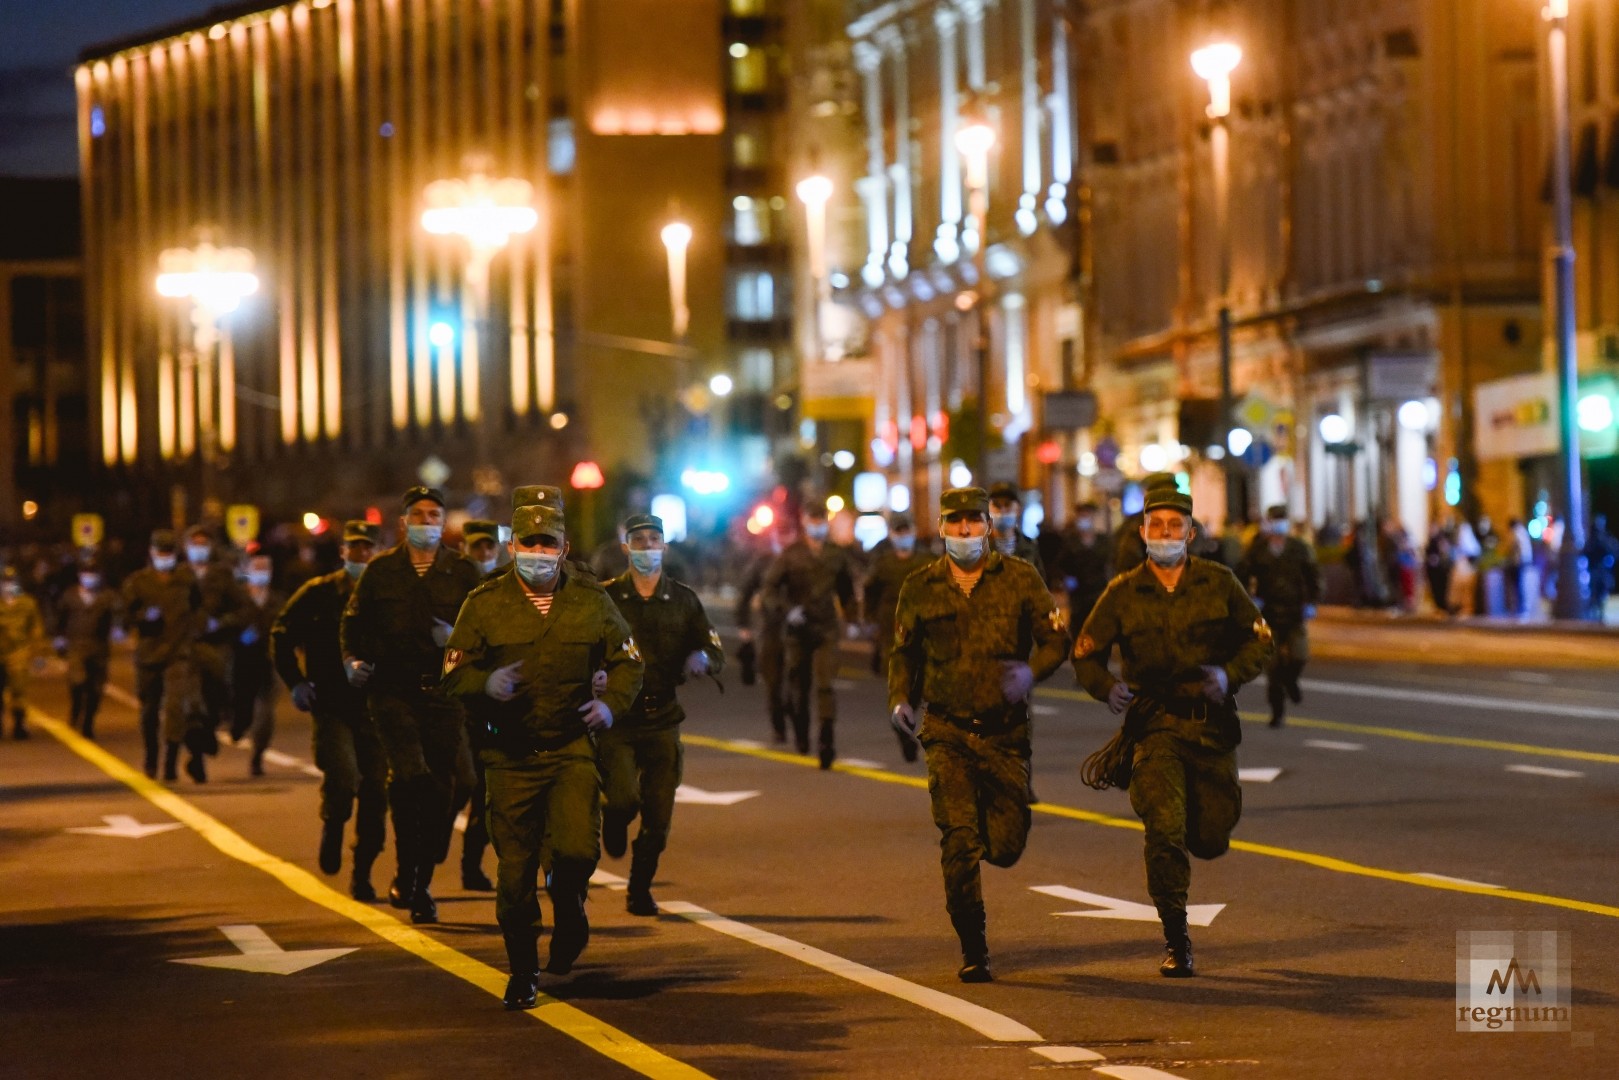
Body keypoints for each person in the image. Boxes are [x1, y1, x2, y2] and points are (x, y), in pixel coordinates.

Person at [442, 503, 644, 1008]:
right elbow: (451, 674)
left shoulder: (591, 600)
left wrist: (610, 705)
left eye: (547, 544)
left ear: (563, 549)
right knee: (514, 874)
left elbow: (628, 663)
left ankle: (571, 906)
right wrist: (485, 681)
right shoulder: (484, 603)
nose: (538, 554)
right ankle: (522, 969)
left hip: (570, 747)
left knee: (577, 852)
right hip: (509, 757)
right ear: (513, 548)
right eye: (528, 544)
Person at [1072, 485, 1271, 977]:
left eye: (1174, 525)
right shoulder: (1122, 592)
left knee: (1209, 836)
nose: (1164, 534)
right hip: (1154, 725)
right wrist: (1105, 687)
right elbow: (1086, 652)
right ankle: (1176, 938)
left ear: (1191, 533)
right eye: (1155, 526)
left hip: (1212, 728)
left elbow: (1258, 640)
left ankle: (1204, 846)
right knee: (1164, 829)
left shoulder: (1220, 583)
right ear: (1142, 533)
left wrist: (1229, 675)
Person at [888, 487, 1070, 982]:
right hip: (946, 729)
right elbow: (903, 654)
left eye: (973, 521)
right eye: (954, 522)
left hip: (1005, 733)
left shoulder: (1020, 578)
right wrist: (901, 699)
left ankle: (988, 841)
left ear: (989, 526)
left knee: (1007, 846)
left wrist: (1031, 673)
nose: (964, 531)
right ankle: (974, 947)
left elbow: (1056, 640)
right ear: (942, 527)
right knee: (959, 839)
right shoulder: (920, 587)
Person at [341, 486, 482, 924]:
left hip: (442, 694)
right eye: (417, 515)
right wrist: (352, 661)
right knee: (411, 778)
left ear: (444, 522)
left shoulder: (462, 571)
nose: (426, 522)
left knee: (443, 788)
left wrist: (455, 642)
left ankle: (420, 868)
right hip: (392, 693)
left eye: (434, 514)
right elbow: (353, 626)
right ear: (403, 523)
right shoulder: (381, 571)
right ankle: (414, 883)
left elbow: (483, 633)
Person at [600, 513, 725, 915]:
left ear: (664, 548)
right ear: (626, 548)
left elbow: (712, 647)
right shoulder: (606, 599)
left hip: (663, 717)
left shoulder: (684, 599)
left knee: (658, 815)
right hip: (619, 718)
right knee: (623, 799)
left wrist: (703, 658)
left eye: (654, 540)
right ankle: (614, 820)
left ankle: (639, 888)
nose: (647, 547)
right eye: (639, 541)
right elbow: (584, 645)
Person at [272, 520, 389, 900]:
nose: (362, 554)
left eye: (368, 548)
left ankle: (363, 872)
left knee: (376, 791)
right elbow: (282, 635)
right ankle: (334, 822)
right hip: (332, 705)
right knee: (342, 774)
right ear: (343, 552)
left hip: (376, 707)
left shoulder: (388, 596)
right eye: (354, 548)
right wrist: (296, 683)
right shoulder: (318, 593)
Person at [763, 501, 856, 768]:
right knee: (798, 685)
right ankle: (801, 731)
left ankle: (827, 739)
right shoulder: (791, 555)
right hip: (797, 630)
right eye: (812, 520)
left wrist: (852, 619)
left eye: (821, 520)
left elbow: (846, 590)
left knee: (825, 683)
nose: (817, 525)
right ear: (804, 522)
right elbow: (769, 590)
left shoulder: (836, 554)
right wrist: (787, 610)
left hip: (826, 627)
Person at [122, 530, 201, 777]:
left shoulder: (186, 580)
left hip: (178, 653)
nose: (164, 557)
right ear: (152, 553)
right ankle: (151, 756)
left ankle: (171, 760)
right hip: (148, 654)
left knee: (176, 706)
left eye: (169, 553)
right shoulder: (138, 582)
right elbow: (124, 617)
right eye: (160, 553)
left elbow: (198, 608)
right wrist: (143, 618)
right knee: (149, 710)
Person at [1236, 506, 1320, 728]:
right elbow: (1241, 576)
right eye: (1274, 519)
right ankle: (1277, 712)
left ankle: (1291, 681)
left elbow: (1313, 576)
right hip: (1267, 615)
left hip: (1294, 612)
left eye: (1282, 519)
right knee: (1271, 666)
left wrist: (1311, 602)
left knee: (1299, 655)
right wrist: (1249, 600)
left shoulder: (1299, 549)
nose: (1278, 524)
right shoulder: (1257, 550)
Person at [861, 513, 926, 761]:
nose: (903, 536)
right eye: (898, 531)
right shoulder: (883, 564)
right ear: (891, 534)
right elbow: (870, 593)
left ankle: (907, 724)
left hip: (922, 634)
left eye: (906, 530)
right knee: (898, 689)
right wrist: (869, 621)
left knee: (916, 690)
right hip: (893, 636)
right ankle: (903, 733)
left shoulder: (928, 561)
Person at [735, 520, 793, 744]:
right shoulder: (764, 561)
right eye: (781, 532)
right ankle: (779, 726)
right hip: (769, 629)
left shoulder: (803, 560)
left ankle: (794, 711)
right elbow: (745, 592)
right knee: (773, 681)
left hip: (796, 630)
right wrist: (743, 627)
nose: (785, 538)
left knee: (796, 678)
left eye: (789, 533)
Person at [54, 555, 121, 739]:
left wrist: (117, 629)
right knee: (77, 681)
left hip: (99, 646)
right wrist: (59, 638)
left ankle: (88, 721)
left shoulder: (107, 596)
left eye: (93, 573)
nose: (89, 577)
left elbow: (118, 615)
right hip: (76, 644)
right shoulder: (70, 596)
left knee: (96, 688)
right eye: (86, 573)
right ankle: (76, 709)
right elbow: (60, 618)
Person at [231, 550, 284, 775]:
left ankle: (257, 756)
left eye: (265, 568)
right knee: (242, 709)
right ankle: (239, 725)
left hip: (267, 663)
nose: (261, 573)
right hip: (241, 664)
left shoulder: (278, 600)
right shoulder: (237, 598)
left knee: (265, 714)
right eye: (257, 568)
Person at [0, 567, 46, 739]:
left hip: (18, 653)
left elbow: (35, 629)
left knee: (19, 690)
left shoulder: (27, 603)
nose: (8, 586)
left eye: (11, 582)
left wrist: (38, 653)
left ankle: (19, 725)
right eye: (5, 582)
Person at [1057, 501, 1112, 631]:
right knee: (1079, 629)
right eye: (1081, 515)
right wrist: (1066, 579)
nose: (1084, 519)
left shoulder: (1104, 541)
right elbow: (1060, 565)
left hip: (1100, 592)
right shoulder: (1069, 541)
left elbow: (1110, 562)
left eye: (1087, 515)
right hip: (1078, 596)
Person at [987, 482, 1046, 581]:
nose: (1002, 510)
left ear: (1018, 509)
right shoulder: (979, 548)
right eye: (996, 505)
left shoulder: (1030, 547)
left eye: (1007, 504)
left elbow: (1041, 585)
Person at [1585, 515, 1617, 621]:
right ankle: (1594, 612)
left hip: (1602, 571)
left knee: (1601, 594)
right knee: (1595, 594)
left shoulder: (1606, 538)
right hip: (1594, 571)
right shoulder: (1592, 539)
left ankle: (1599, 612)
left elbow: (1613, 551)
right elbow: (1586, 552)